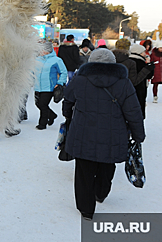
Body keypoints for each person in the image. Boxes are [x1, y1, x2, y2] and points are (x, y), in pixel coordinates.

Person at [62, 48, 145, 221]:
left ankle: (86, 210)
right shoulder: (123, 82)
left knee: (84, 171)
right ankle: (100, 193)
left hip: (83, 133)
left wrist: (68, 115)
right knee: (107, 166)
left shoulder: (80, 80)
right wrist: (138, 135)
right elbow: (133, 111)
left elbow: (68, 99)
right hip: (113, 136)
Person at [34, 41, 67, 130]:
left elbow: (63, 72)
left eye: (42, 49)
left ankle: (42, 124)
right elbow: (32, 72)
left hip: (49, 87)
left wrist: (59, 83)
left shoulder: (57, 60)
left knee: (43, 104)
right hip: (37, 86)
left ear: (47, 50)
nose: (40, 51)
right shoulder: (37, 60)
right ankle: (52, 115)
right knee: (38, 104)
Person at [128, 44, 155, 118]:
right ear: (138, 52)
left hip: (128, 90)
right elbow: (149, 76)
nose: (145, 54)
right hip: (140, 89)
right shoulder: (141, 62)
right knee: (138, 112)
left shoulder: (128, 61)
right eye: (143, 52)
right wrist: (149, 64)